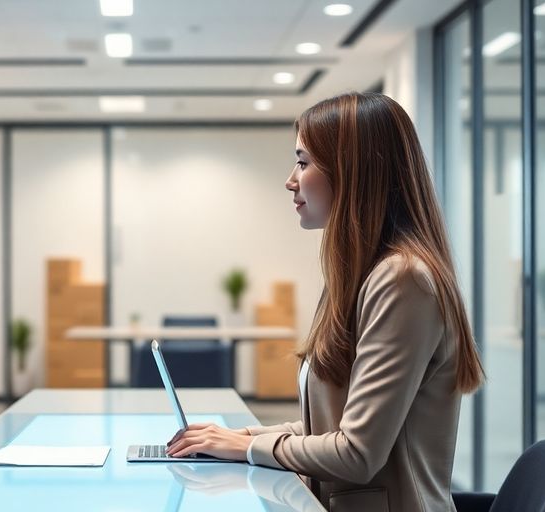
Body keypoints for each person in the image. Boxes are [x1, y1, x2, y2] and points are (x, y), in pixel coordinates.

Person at [166, 92, 485, 512]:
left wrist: (246, 448)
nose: (290, 179)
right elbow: (333, 427)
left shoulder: (403, 280)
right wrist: (241, 437)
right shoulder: (357, 276)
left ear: (353, 173)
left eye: (303, 162)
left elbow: (357, 453)